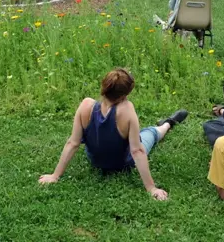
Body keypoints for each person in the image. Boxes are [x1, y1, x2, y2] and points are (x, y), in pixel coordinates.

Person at [38, 68, 187, 201]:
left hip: (95, 160)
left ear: (104, 87)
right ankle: (167, 123)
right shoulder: (127, 109)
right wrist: (151, 188)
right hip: (123, 163)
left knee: (138, 135)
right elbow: (137, 151)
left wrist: (55, 175)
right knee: (150, 134)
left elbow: (73, 143)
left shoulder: (85, 105)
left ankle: (161, 125)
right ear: (124, 94)